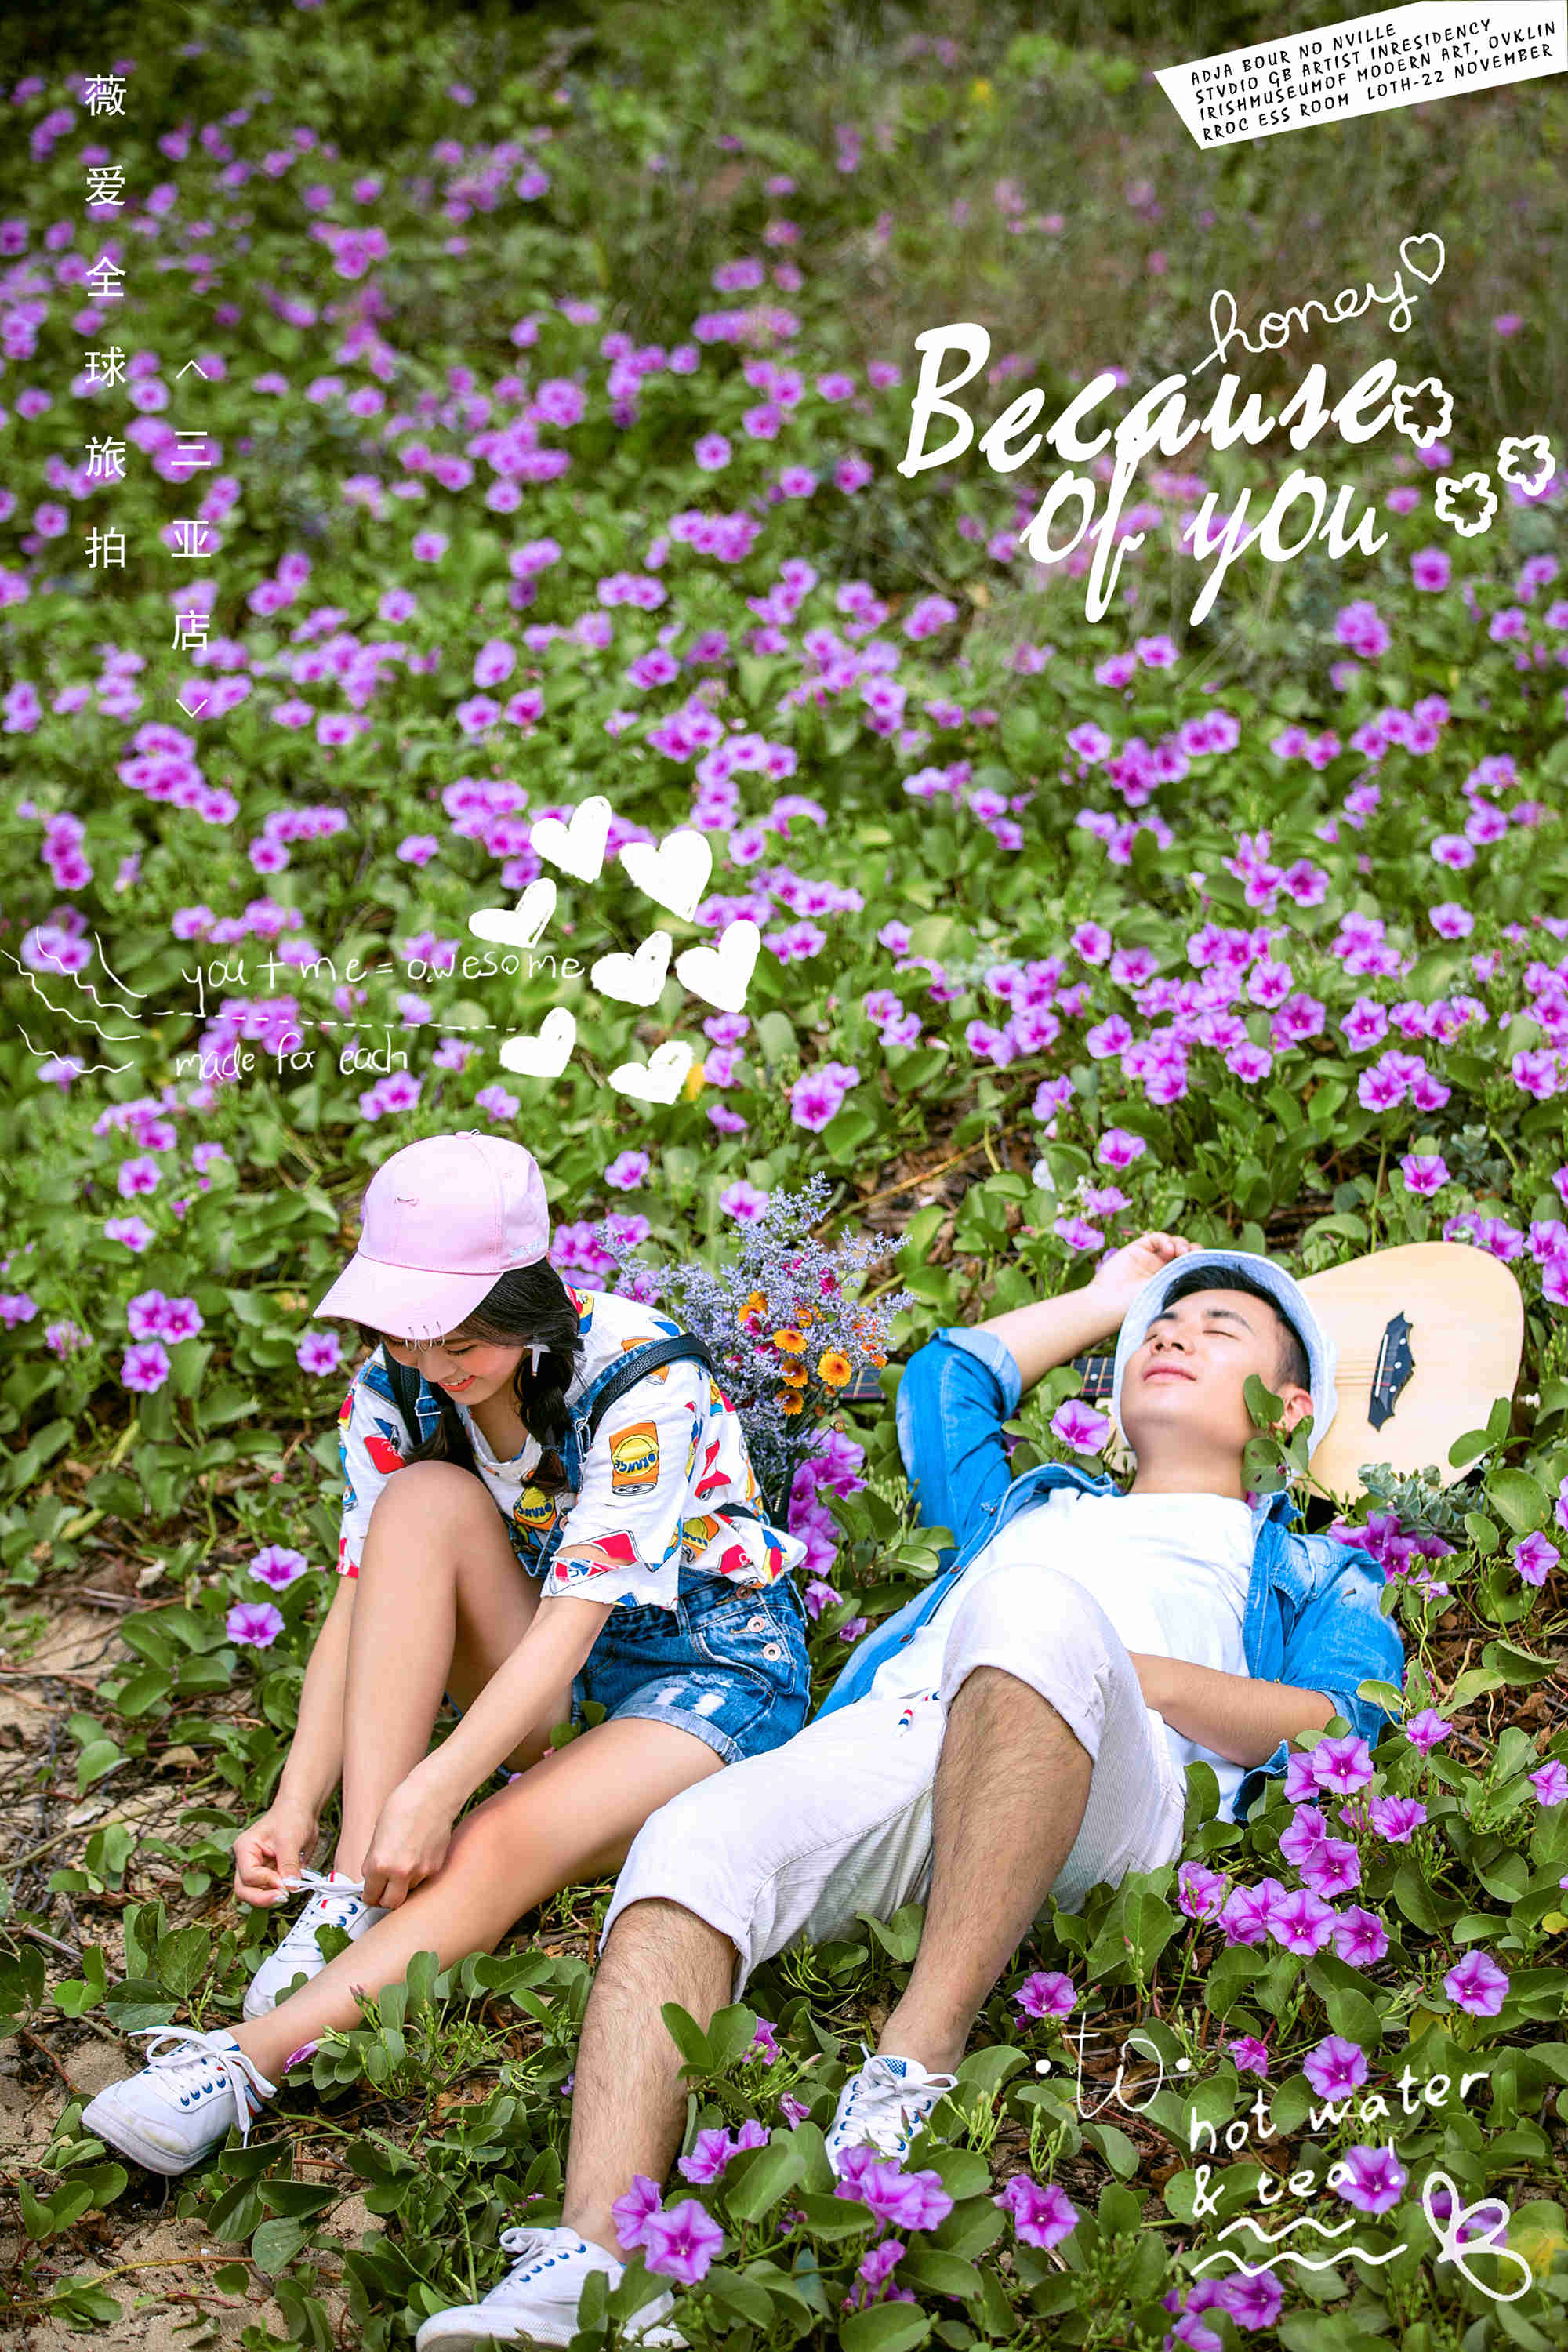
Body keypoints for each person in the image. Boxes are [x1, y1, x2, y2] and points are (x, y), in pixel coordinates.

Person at [413, 1229, 1406, 2350]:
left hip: (1112, 1783)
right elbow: (946, 1380)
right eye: (1158, 1330)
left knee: (1032, 1609)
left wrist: (1144, 1674)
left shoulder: (1308, 1566)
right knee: (689, 1840)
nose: (1172, 1335)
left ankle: (913, 2062)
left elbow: (1347, 1718)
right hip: (910, 1731)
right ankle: (596, 2263)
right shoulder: (1027, 1508)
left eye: (1217, 1329)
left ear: (1286, 1411)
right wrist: (1110, 1294)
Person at [79, 1131, 811, 2199]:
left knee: (492, 1834)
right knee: (419, 1503)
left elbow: (572, 1623)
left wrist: (436, 1786)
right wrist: (299, 1803)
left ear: (526, 1293)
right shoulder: (397, 1386)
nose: (434, 1364)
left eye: (462, 1336)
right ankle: (354, 1886)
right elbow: (360, 1600)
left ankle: (244, 2062)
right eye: (408, 1332)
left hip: (706, 1673)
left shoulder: (643, 1378)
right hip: (550, 1671)